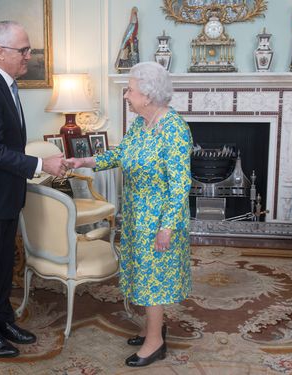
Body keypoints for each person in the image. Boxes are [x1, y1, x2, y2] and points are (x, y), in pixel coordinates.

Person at [66, 61, 192, 367]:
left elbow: (180, 184)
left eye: (131, 90)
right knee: (142, 275)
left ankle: (155, 342)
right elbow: (121, 154)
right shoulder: (141, 124)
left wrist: (168, 227)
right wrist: (85, 162)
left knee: (154, 280)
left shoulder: (174, 129)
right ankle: (153, 328)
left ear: (147, 96)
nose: (126, 95)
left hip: (160, 219)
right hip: (137, 215)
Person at [0, 21, 67, 358]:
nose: (28, 56)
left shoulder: (6, 85)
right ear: (0, 52)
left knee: (5, 263)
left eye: (28, 49)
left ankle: (3, 320)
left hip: (4, 194)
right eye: (23, 50)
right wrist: (39, 166)